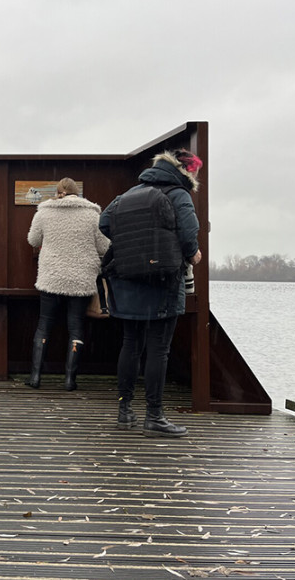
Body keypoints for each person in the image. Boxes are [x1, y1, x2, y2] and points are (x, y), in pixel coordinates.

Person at [100, 149, 202, 438]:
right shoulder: (178, 194)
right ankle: (154, 417)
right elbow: (188, 234)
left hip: (128, 278)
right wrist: (193, 255)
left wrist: (137, 245)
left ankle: (124, 412)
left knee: (131, 343)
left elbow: (104, 223)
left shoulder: (128, 194)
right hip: (163, 280)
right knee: (159, 348)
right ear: (185, 171)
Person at [26, 178, 110, 390]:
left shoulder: (43, 212)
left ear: (58, 191)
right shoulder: (92, 214)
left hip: (51, 276)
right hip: (80, 278)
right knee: (76, 327)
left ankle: (35, 377)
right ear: (77, 193)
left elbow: (33, 240)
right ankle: (69, 380)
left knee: (44, 325)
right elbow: (104, 246)